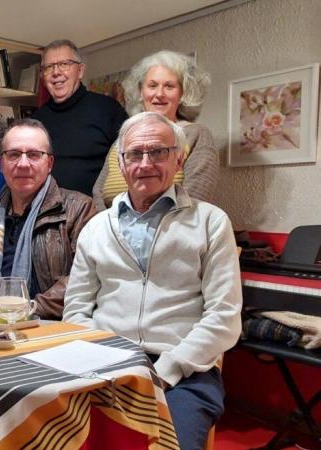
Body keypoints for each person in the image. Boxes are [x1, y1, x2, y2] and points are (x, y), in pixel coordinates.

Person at [63, 112, 242, 450]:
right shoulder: (96, 227)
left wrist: (166, 370)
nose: (145, 163)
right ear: (121, 162)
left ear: (179, 158)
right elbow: (76, 311)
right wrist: (99, 360)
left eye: (158, 152)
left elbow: (224, 317)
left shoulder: (211, 222)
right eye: (135, 154)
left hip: (184, 375)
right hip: (104, 365)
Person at [0, 118, 95, 320]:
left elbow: (84, 278)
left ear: (49, 163)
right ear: (1, 164)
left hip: (52, 328)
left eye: (34, 155)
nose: (23, 164)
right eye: (13, 155)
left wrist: (27, 308)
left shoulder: (79, 209)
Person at [93, 50, 218, 210]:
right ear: (140, 93)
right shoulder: (123, 139)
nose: (159, 94)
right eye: (152, 86)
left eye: (169, 86)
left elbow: (195, 198)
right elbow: (98, 192)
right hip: (114, 230)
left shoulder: (196, 135)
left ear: (182, 94)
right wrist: (109, 227)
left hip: (173, 231)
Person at [33, 39, 127, 195]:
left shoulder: (108, 109)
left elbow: (128, 162)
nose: (56, 72)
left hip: (97, 213)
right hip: (47, 213)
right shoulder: (36, 121)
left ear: (80, 71)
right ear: (43, 76)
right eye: (49, 67)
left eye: (64, 64)